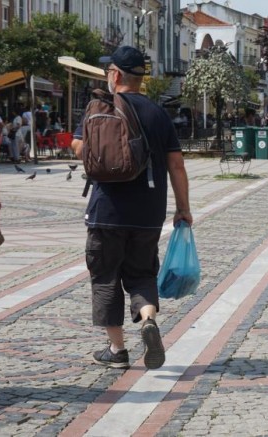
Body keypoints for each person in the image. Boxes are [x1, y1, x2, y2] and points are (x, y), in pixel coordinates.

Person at [71, 46, 193, 370]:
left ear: (115, 75)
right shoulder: (157, 113)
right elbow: (177, 164)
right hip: (148, 213)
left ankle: (117, 349)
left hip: (106, 211)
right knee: (141, 272)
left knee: (105, 277)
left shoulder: (99, 107)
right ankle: (148, 319)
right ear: (141, 77)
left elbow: (78, 148)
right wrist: (183, 208)